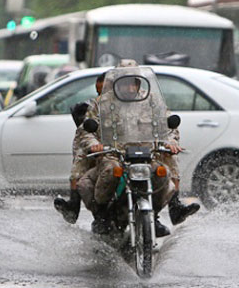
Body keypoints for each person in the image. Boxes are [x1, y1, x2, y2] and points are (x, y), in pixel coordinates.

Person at [78, 61, 199, 236]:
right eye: (125, 82)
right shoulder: (102, 102)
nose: (129, 87)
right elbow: (86, 131)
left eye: (133, 82)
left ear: (139, 82)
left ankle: (154, 215)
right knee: (108, 173)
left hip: (146, 155)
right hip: (114, 155)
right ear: (117, 82)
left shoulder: (152, 100)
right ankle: (102, 216)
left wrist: (171, 142)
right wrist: (94, 144)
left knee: (162, 174)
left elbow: (169, 125)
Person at [53, 72, 106, 223]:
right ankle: (74, 205)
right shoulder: (93, 107)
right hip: (102, 148)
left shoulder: (135, 103)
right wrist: (94, 145)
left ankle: (162, 210)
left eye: (106, 90)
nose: (102, 95)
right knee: (82, 155)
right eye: (99, 91)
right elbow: (84, 131)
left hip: (130, 148)